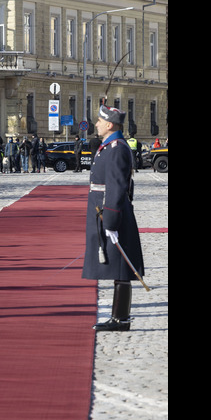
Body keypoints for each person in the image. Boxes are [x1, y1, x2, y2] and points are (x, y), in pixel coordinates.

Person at [82, 105, 144, 332]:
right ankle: (120, 317)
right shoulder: (109, 146)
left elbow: (117, 187)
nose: (95, 124)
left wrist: (110, 221)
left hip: (111, 213)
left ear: (109, 125)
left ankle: (121, 319)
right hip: (106, 211)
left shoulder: (116, 148)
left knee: (121, 266)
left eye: (99, 120)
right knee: (119, 267)